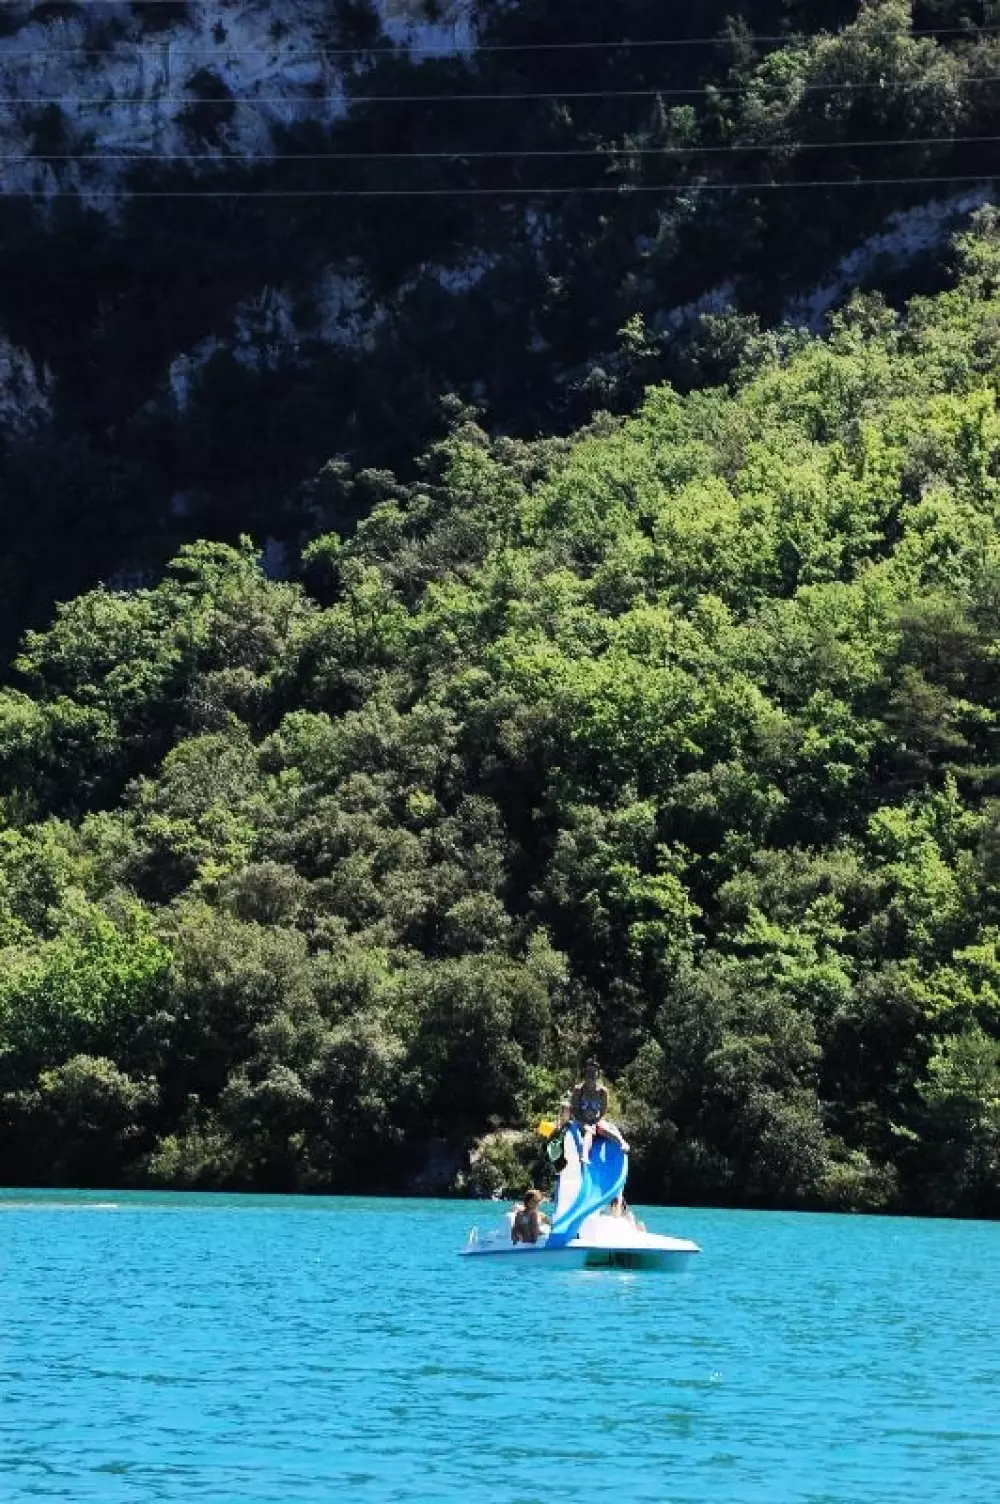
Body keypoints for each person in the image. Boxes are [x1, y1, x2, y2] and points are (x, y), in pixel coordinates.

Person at [570, 1058, 630, 1166]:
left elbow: (603, 1109)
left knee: (604, 1128)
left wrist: (596, 1120)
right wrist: (584, 1123)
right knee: (589, 1131)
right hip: (581, 1121)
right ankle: (584, 1156)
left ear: (597, 1074)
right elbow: (575, 1109)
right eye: (588, 1072)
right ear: (585, 1073)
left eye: (593, 1072)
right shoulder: (578, 1090)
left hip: (595, 1120)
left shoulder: (602, 1092)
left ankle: (622, 1142)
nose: (590, 1075)